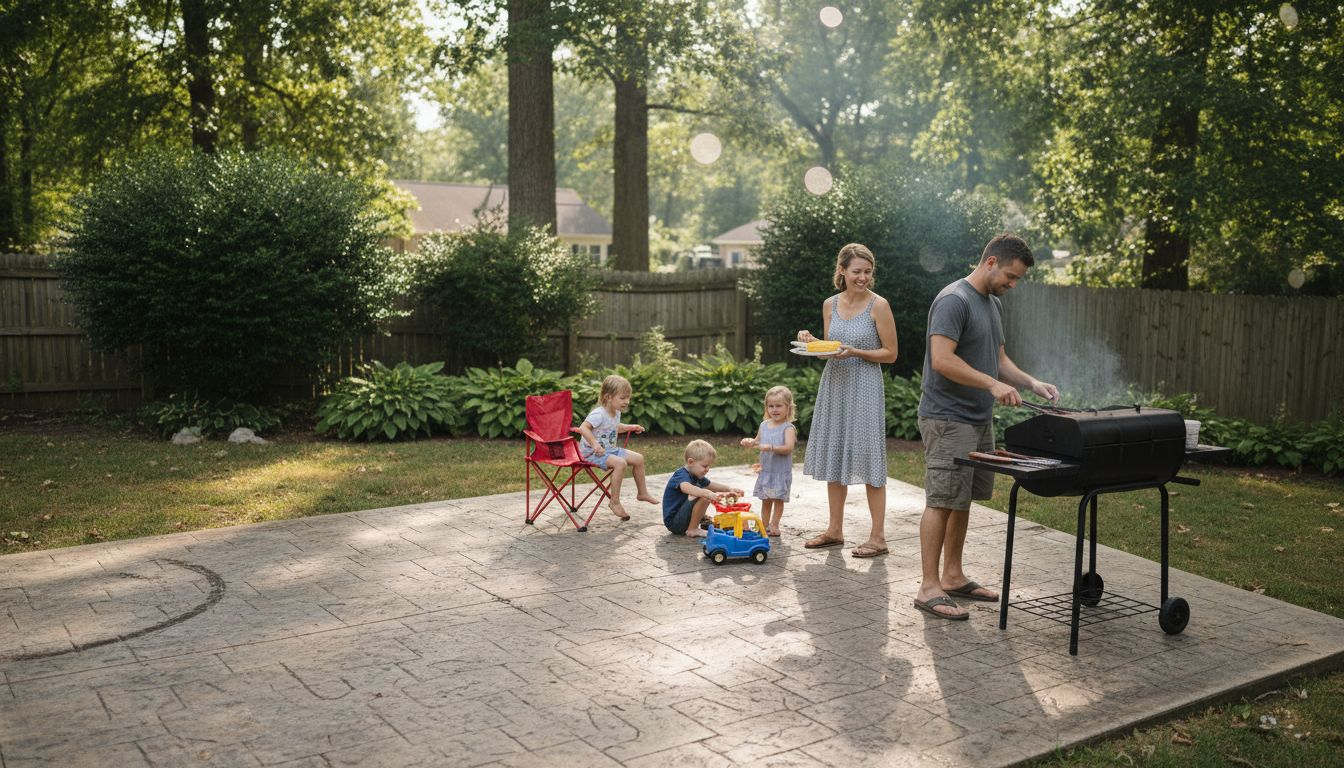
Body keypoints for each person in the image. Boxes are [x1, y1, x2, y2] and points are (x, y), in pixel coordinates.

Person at [914, 233, 1060, 621]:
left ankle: (952, 575)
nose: (1013, 285)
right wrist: (992, 385)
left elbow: (999, 359)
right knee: (942, 498)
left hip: (977, 418)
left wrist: (1031, 383)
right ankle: (928, 587)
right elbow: (942, 359)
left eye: (1017, 279)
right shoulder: (954, 300)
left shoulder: (992, 304)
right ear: (991, 262)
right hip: (947, 417)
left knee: (962, 497)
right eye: (1011, 276)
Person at [797, 243, 900, 558]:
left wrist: (856, 352)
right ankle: (834, 530)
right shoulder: (830, 304)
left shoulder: (879, 306)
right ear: (842, 270)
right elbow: (831, 348)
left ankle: (878, 537)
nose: (863, 278)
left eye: (868, 272)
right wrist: (812, 342)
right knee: (835, 451)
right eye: (857, 271)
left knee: (869, 457)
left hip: (866, 387)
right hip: (836, 384)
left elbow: (891, 354)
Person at [577, 374, 657, 520]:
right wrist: (594, 444)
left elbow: (612, 427)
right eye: (623, 398)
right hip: (592, 453)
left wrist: (629, 427)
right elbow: (583, 428)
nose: (627, 401)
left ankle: (642, 493)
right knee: (620, 463)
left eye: (628, 398)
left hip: (608, 450)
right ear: (608, 397)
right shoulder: (598, 414)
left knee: (639, 459)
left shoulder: (616, 412)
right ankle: (614, 502)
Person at [740, 385, 798, 537]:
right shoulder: (764, 425)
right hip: (766, 471)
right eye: (771, 406)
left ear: (788, 407)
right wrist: (749, 442)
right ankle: (764, 525)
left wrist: (771, 447)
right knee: (766, 500)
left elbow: (788, 448)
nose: (774, 409)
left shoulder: (788, 428)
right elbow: (757, 441)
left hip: (780, 472)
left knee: (778, 500)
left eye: (779, 406)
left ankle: (775, 525)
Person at [662, 439, 745, 538]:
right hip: (675, 523)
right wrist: (706, 493)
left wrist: (730, 489)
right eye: (705, 466)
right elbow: (686, 487)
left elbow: (710, 484)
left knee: (704, 491)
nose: (707, 469)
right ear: (690, 462)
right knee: (704, 495)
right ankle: (692, 529)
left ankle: (696, 521)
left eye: (709, 466)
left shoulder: (696, 474)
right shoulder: (681, 475)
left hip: (682, 517)